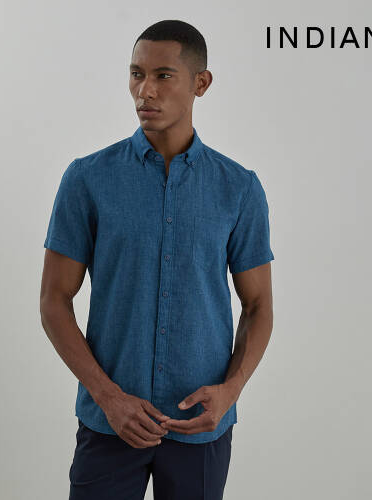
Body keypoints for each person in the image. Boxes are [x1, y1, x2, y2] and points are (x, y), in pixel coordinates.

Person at [40, 19, 275, 500]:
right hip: (110, 425)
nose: (145, 91)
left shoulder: (239, 188)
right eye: (136, 74)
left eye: (163, 75)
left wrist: (230, 392)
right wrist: (109, 398)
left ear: (201, 83)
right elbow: (53, 301)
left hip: (200, 428)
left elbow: (258, 307)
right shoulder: (87, 179)